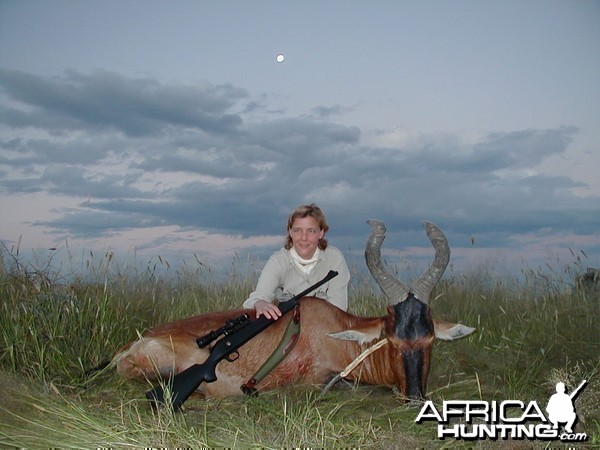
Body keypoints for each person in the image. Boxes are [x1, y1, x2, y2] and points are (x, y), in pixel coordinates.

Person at [243, 203, 351, 319]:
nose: (304, 237)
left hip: (324, 324)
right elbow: (256, 298)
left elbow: (339, 307)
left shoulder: (335, 259)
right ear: (290, 232)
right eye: (297, 230)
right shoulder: (278, 260)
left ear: (321, 233)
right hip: (288, 325)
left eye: (311, 231)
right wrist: (260, 303)